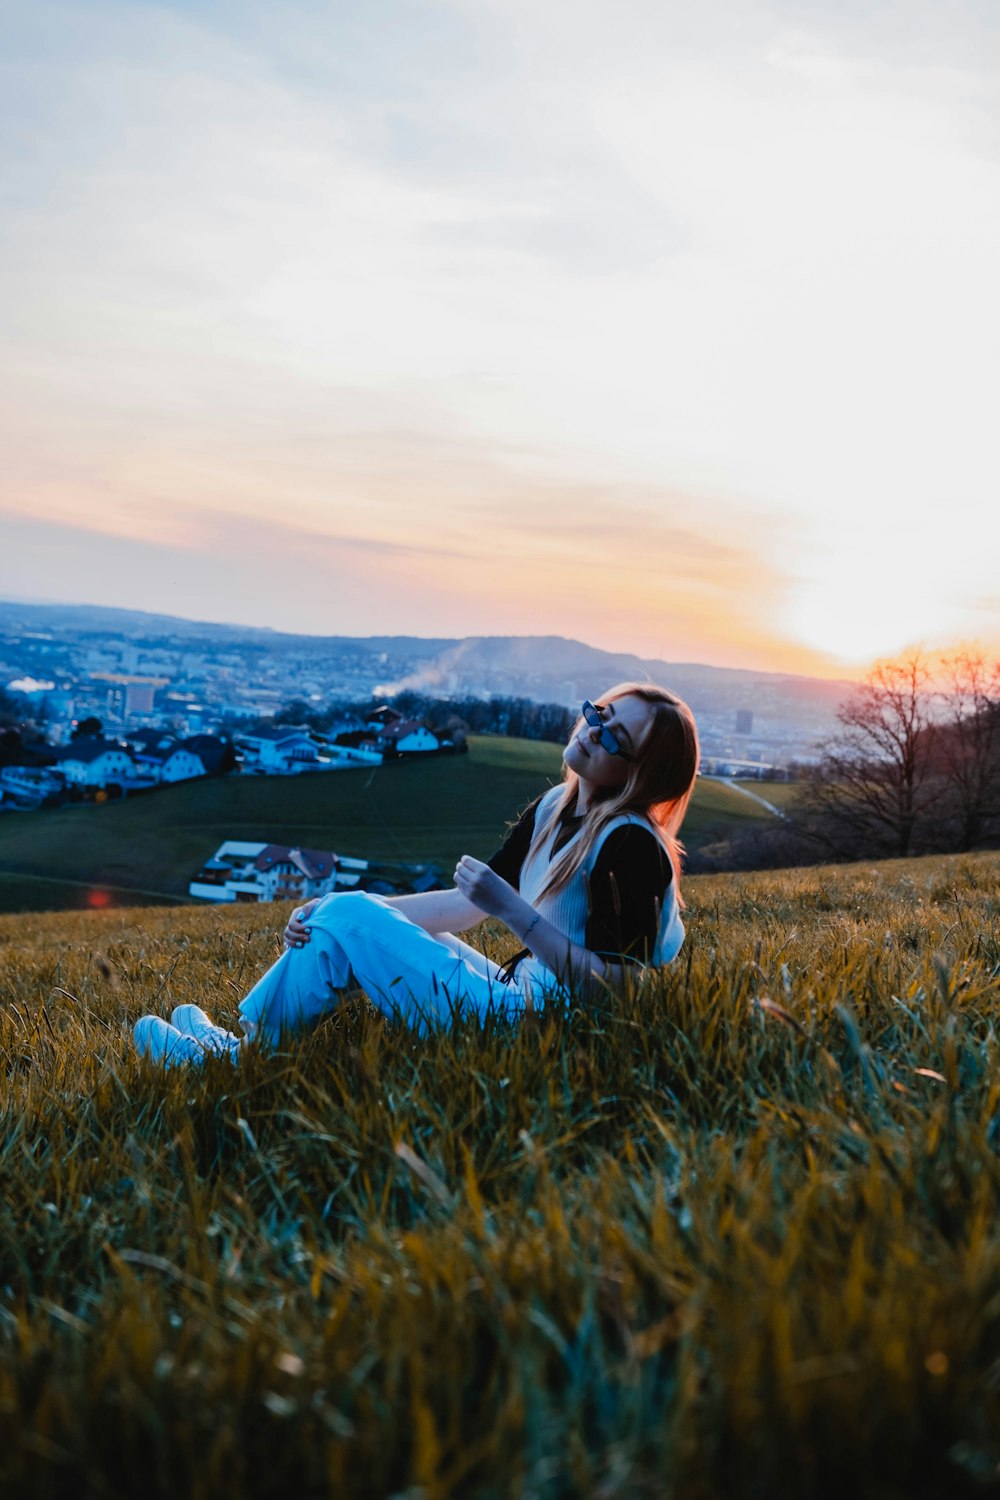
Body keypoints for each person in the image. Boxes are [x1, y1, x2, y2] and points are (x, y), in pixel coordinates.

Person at [133, 683, 699, 1064]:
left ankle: (229, 1060)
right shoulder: (557, 804)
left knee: (351, 912)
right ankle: (244, 1047)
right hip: (515, 999)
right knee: (350, 914)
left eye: (614, 738)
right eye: (599, 715)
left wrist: (515, 913)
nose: (592, 732)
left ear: (642, 776)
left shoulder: (631, 844)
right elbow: (467, 906)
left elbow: (617, 992)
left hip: (542, 1035)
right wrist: (331, 914)